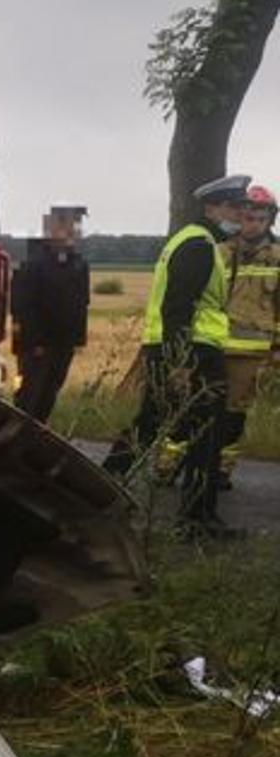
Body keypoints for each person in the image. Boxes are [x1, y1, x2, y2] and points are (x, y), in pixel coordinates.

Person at [102, 174, 250, 539]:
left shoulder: (193, 241)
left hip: (175, 349)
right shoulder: (199, 246)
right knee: (206, 433)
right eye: (232, 206)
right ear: (211, 207)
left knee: (150, 421)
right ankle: (196, 519)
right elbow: (178, 307)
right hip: (193, 351)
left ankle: (97, 491)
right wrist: (181, 363)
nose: (239, 214)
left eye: (241, 207)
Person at [219, 185, 279, 487]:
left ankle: (223, 468)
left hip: (250, 353)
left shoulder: (277, 257)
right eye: (247, 217)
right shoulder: (221, 252)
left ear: (270, 220)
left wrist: (276, 349)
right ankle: (171, 462)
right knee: (198, 408)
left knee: (234, 414)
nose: (252, 223)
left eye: (259, 217)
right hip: (212, 346)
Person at [10, 204, 90, 422]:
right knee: (29, 400)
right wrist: (32, 344)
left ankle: (37, 442)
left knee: (48, 398)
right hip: (38, 347)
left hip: (64, 345)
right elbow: (21, 307)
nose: (73, 230)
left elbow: (82, 304)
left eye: (76, 224)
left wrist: (78, 340)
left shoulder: (78, 264)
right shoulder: (32, 263)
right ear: (51, 227)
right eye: (66, 223)